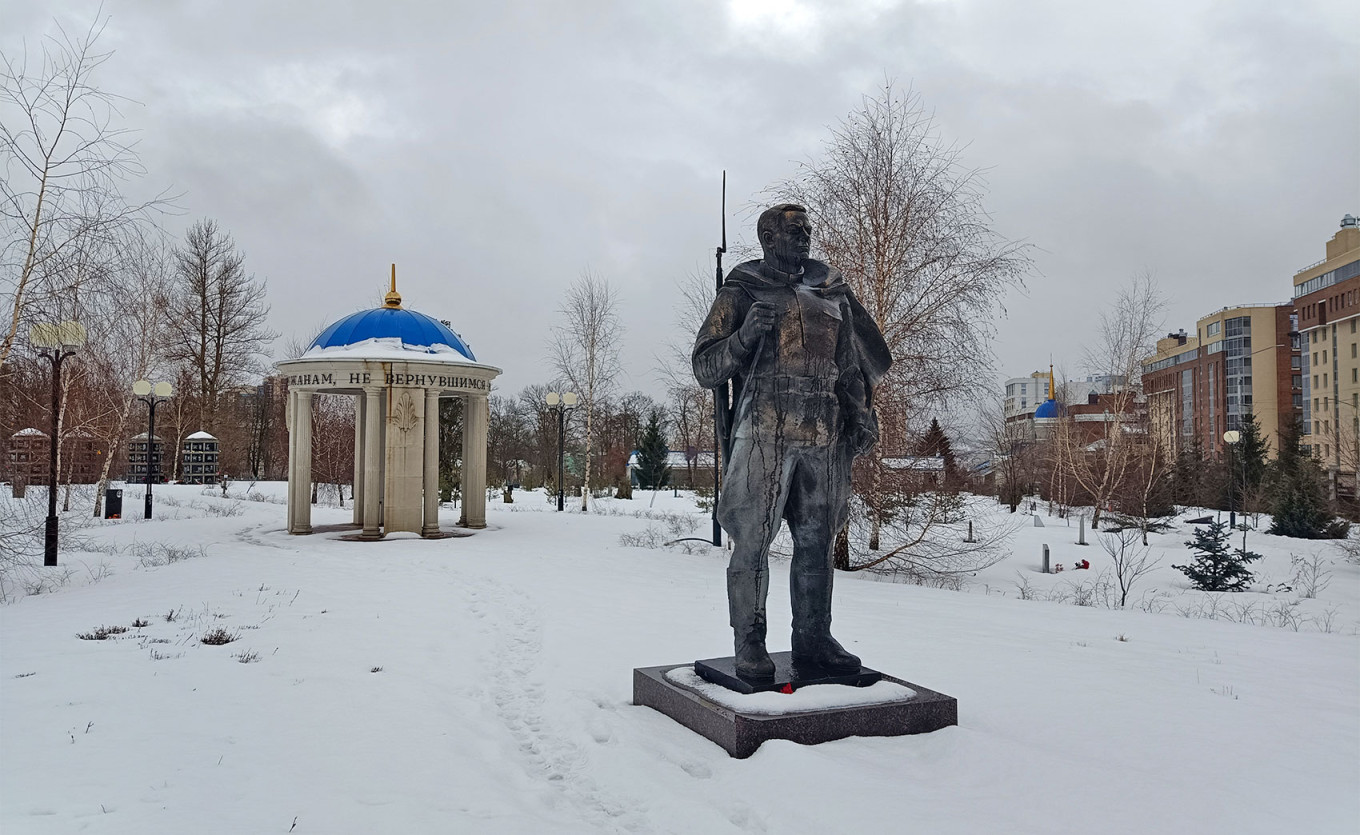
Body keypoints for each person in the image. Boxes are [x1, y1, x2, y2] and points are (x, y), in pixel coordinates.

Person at [693, 203, 891, 679]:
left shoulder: (831, 294)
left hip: (822, 433)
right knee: (753, 541)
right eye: (795, 231)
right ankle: (750, 644)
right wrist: (742, 336)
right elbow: (705, 368)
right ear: (768, 237)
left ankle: (814, 639)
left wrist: (861, 414)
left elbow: (849, 368)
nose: (805, 237)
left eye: (808, 230)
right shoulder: (742, 290)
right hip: (764, 429)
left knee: (817, 542)